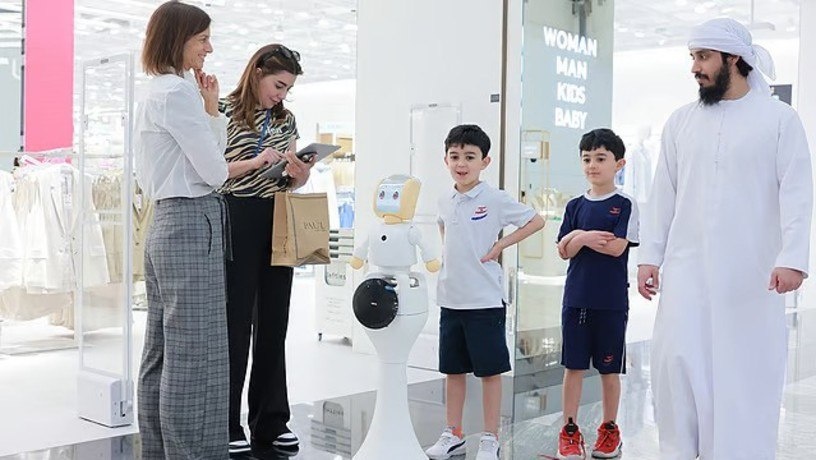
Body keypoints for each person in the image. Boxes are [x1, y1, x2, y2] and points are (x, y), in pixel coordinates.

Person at [637, 18, 812, 460]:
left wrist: (792, 258)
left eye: (703, 57)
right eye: (693, 57)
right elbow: (663, 194)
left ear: (734, 58)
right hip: (686, 274)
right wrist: (649, 256)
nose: (694, 67)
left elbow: (797, 192)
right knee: (677, 367)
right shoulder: (681, 122)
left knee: (743, 374)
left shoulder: (778, 119)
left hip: (750, 278)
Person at [135, 2, 232, 458]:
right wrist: (212, 113)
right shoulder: (177, 93)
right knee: (195, 353)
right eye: (202, 39)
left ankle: (160, 451)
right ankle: (192, 453)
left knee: (161, 350)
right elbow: (215, 171)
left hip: (165, 223)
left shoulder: (155, 91)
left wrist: (208, 111)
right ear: (179, 40)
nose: (208, 49)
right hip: (192, 223)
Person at [425, 124, 545, 460]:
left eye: (469, 156)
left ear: (485, 161)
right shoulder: (444, 199)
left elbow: (536, 221)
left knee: (490, 373)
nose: (461, 163)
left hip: (485, 302)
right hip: (451, 299)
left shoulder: (494, 198)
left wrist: (500, 245)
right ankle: (453, 434)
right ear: (446, 160)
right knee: (453, 371)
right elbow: (443, 226)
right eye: (454, 156)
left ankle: (490, 437)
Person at [217, 44, 313, 459]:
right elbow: (210, 171)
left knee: (275, 322)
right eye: (278, 85)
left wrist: (300, 174)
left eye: (288, 88)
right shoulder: (221, 110)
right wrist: (257, 161)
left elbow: (291, 180)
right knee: (235, 324)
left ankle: (272, 420)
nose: (281, 94)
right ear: (257, 72)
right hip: (236, 215)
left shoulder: (285, 119)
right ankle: (226, 421)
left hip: (278, 216)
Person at [555, 128, 638, 460]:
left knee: (609, 370)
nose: (592, 165)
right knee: (573, 368)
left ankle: (609, 429)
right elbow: (563, 251)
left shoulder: (625, 204)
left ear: (619, 164)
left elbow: (616, 247)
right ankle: (569, 431)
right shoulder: (575, 205)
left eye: (600, 158)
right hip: (576, 300)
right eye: (587, 158)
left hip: (611, 302)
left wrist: (578, 238)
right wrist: (585, 236)